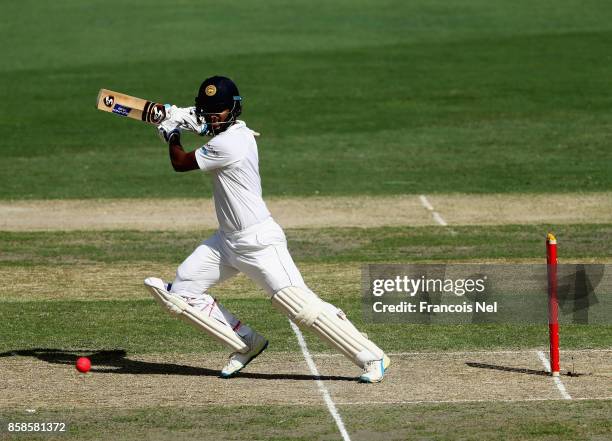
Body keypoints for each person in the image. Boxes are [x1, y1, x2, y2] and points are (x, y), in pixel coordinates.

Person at [144, 76, 389, 382]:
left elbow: (180, 162)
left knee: (300, 307)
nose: (212, 116)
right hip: (226, 241)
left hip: (259, 242)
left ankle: (372, 356)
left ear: (234, 110)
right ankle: (246, 342)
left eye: (218, 110)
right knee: (182, 292)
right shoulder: (226, 131)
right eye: (207, 110)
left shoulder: (231, 142)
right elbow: (203, 123)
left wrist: (171, 132)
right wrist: (177, 114)